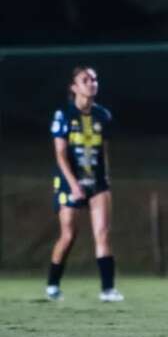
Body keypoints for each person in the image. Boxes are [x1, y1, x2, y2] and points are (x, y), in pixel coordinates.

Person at [45, 66, 123, 302]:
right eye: (85, 79)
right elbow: (60, 154)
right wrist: (74, 185)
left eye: (94, 79)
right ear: (74, 87)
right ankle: (53, 283)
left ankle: (107, 289)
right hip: (70, 183)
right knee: (68, 235)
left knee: (102, 233)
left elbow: (104, 151)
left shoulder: (103, 116)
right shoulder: (64, 115)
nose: (92, 83)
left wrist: (105, 177)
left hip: (97, 182)